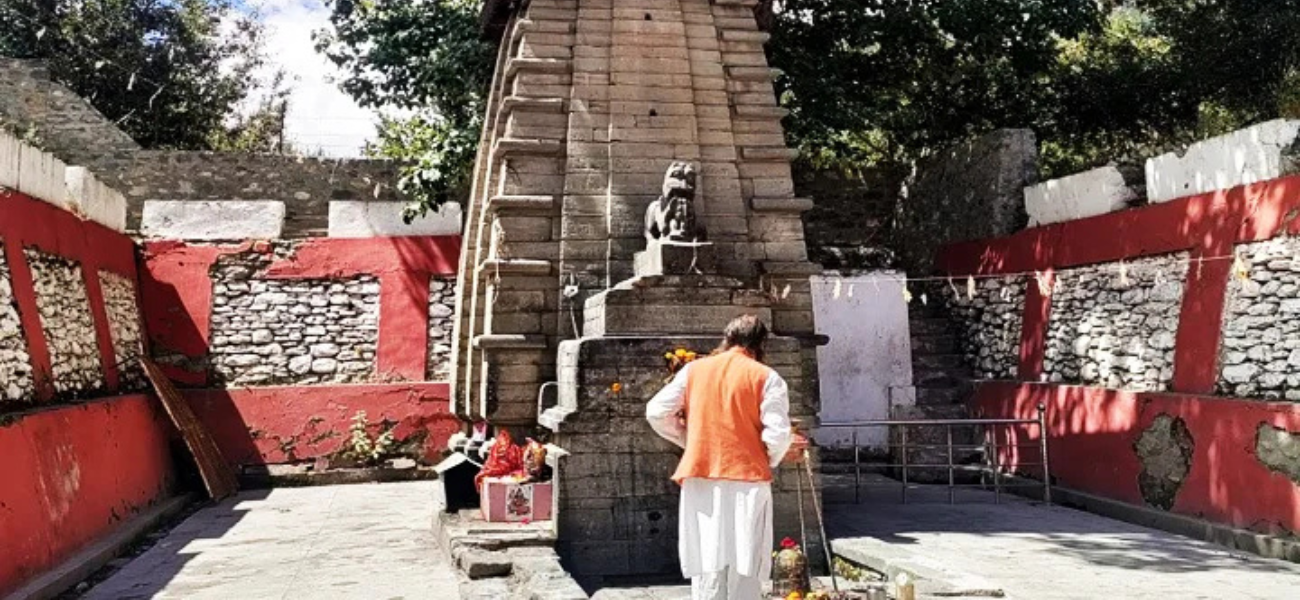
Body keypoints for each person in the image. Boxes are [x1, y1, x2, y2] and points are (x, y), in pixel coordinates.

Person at [645, 314, 809, 600]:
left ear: (727, 338)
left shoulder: (694, 370)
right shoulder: (767, 377)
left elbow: (656, 411)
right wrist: (765, 456)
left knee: (708, 561)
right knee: (745, 564)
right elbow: (778, 435)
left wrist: (690, 441)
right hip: (748, 480)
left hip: (700, 475)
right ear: (760, 345)